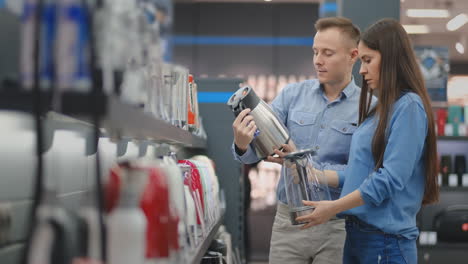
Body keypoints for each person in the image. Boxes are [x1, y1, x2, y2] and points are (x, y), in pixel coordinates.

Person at [296, 18, 439, 263]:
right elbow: (362, 173)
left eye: (368, 60)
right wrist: (316, 175)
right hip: (360, 237)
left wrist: (334, 207)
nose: (361, 70)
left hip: (386, 243)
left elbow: (390, 179)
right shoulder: (382, 109)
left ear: (391, 59)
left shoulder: (409, 107)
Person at [232, 17, 361, 264]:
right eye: (315, 52)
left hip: (338, 224)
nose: (318, 60)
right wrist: (242, 142)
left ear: (352, 55)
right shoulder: (292, 95)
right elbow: (256, 151)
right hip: (289, 222)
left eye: (327, 53)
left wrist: (305, 167)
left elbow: (362, 172)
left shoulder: (368, 107)